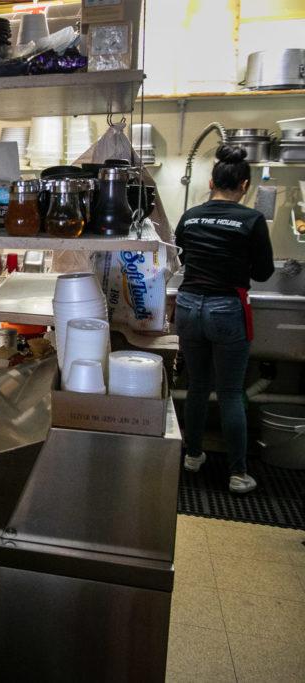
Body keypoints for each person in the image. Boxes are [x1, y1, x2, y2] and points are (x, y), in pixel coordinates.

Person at [174, 144, 274, 494]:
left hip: (187, 306)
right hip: (225, 307)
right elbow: (263, 273)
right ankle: (237, 473)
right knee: (231, 393)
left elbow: (181, 257)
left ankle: (193, 455)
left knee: (197, 387)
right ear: (244, 185)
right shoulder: (252, 220)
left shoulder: (191, 215)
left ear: (211, 180)